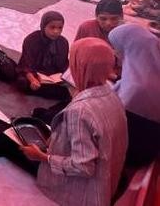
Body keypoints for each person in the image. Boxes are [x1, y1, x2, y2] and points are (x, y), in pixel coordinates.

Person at [20, 38, 127, 206]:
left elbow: (83, 167)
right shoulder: (112, 93)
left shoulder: (80, 111)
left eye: (74, 61)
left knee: (7, 142)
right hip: (106, 181)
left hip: (83, 192)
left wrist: (43, 157)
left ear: (81, 67)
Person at [109, 24, 160, 166]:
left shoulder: (137, 88)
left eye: (118, 47)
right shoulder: (150, 68)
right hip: (148, 147)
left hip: (131, 154)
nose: (115, 52)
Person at [14, 11, 71, 100]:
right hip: (35, 75)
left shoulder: (63, 42)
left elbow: (64, 65)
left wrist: (64, 78)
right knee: (23, 82)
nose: (56, 31)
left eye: (60, 28)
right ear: (43, 26)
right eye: (52, 27)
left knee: (67, 89)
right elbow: (26, 65)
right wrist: (33, 80)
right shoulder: (31, 40)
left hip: (54, 78)